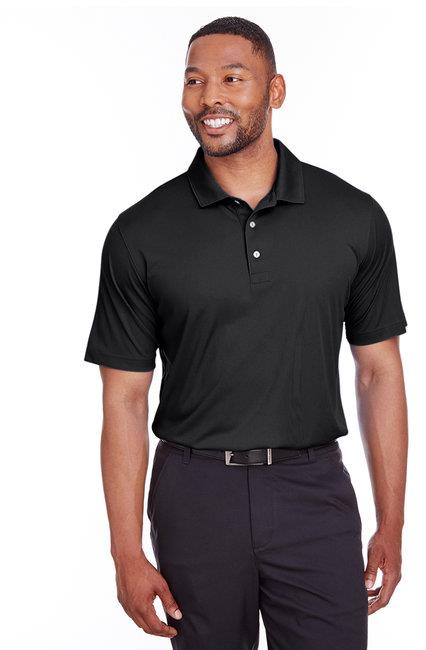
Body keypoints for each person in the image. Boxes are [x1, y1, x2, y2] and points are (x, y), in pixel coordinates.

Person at [84, 15, 408, 650]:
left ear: (275, 90)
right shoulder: (140, 232)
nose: (210, 97)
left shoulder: (354, 217)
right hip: (194, 493)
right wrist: (125, 550)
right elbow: (123, 399)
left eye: (232, 79)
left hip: (314, 489)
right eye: (195, 81)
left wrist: (391, 524)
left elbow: (379, 372)